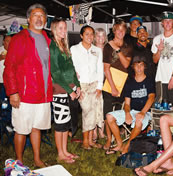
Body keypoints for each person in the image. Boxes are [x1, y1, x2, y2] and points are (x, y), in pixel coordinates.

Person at [3, 4, 53, 167]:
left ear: (45, 20)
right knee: (21, 129)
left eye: (42, 16)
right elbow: (9, 67)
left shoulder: (47, 39)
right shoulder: (19, 38)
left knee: (37, 127)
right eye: (35, 15)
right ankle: (19, 161)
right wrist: (13, 92)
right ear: (28, 19)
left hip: (43, 94)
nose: (39, 18)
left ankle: (37, 159)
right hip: (24, 94)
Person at [105, 54, 155, 155]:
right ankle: (119, 144)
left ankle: (127, 146)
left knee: (138, 121)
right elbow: (127, 103)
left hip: (146, 112)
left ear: (144, 66)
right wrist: (127, 113)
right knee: (109, 116)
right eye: (137, 65)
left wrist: (142, 113)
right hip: (133, 111)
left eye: (141, 65)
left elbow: (151, 98)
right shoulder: (129, 83)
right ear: (133, 67)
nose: (139, 68)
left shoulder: (149, 80)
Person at [50, 18, 80, 163]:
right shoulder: (53, 47)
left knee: (65, 122)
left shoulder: (63, 45)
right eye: (60, 28)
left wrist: (77, 85)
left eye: (65, 28)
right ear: (54, 29)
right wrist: (70, 90)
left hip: (66, 88)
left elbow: (71, 69)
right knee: (60, 124)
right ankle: (60, 154)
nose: (63, 31)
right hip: (59, 89)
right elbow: (56, 73)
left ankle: (65, 150)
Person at [71, 25, 104, 149]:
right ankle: (85, 141)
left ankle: (90, 140)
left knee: (95, 112)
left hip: (95, 84)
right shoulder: (74, 49)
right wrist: (75, 86)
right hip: (82, 85)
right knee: (87, 112)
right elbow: (72, 69)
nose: (90, 37)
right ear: (81, 36)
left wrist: (100, 86)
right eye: (87, 34)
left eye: (92, 34)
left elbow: (100, 69)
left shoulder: (97, 50)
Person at [103, 20, 132, 150]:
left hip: (124, 82)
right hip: (110, 82)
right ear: (114, 31)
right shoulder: (108, 46)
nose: (120, 32)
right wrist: (113, 87)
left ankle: (119, 136)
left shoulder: (127, 46)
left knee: (121, 110)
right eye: (118, 30)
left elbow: (126, 64)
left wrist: (119, 50)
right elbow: (106, 68)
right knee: (107, 112)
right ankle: (109, 139)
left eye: (123, 30)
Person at [152, 12, 173, 106]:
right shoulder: (157, 38)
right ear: (162, 23)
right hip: (161, 78)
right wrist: (159, 50)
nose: (167, 23)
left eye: (170, 21)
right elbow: (155, 60)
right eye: (165, 21)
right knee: (161, 105)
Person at [92, 27, 107, 141]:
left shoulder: (107, 49)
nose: (100, 38)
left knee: (102, 107)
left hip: (106, 80)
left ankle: (102, 131)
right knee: (93, 107)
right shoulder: (91, 49)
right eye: (98, 36)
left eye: (102, 36)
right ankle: (94, 132)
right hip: (93, 81)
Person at [0, 34, 12, 99]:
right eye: (7, 41)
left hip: (10, 82)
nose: (9, 43)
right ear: (3, 42)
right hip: (1, 82)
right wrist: (1, 57)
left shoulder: (14, 50)